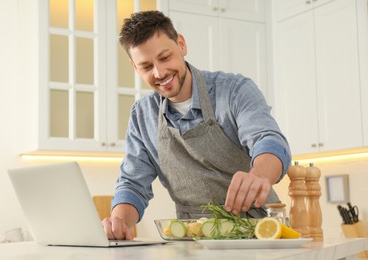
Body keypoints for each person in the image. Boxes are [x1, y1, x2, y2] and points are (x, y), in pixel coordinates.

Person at [103, 10, 291, 240]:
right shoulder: (142, 115)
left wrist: (260, 174)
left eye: (164, 57)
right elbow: (132, 183)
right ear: (135, 67)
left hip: (257, 232)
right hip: (191, 241)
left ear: (181, 44)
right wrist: (118, 222)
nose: (159, 73)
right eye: (146, 67)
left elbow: (269, 140)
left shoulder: (233, 90)